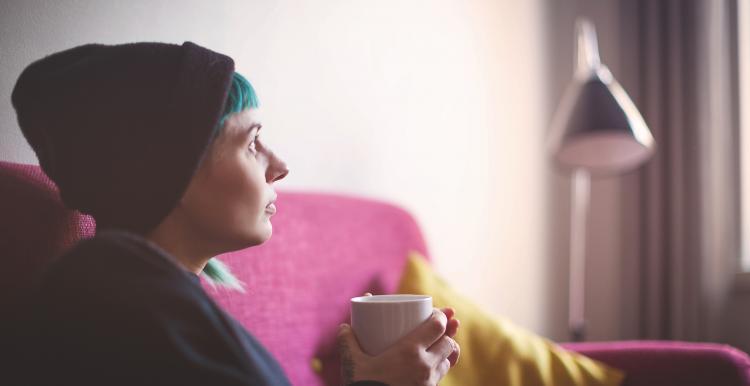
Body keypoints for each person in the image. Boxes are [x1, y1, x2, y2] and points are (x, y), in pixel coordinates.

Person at [7, 41, 460, 386]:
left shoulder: (148, 294)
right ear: (170, 166)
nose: (280, 166)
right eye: (251, 142)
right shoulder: (115, 307)